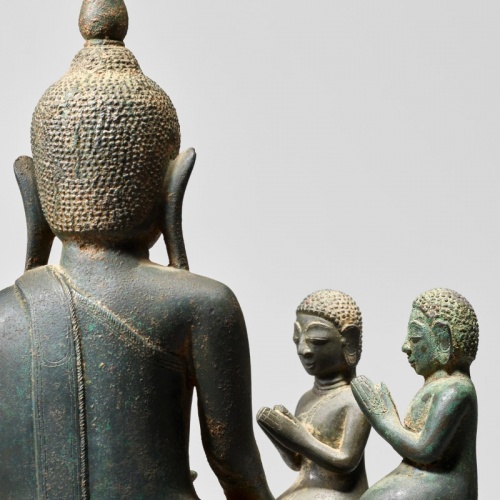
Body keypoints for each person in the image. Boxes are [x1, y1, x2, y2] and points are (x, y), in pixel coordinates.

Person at [0, 1, 273, 498]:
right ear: (174, 186)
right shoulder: (204, 305)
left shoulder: (4, 317)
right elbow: (233, 462)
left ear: (32, 192)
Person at [352, 288, 479, 499]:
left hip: (445, 486)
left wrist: (385, 421)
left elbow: (424, 450)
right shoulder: (440, 386)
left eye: (416, 337)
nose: (406, 346)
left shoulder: (456, 390)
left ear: (442, 339)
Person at [258, 290, 371, 499]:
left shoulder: (355, 400)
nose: (303, 350)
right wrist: (280, 435)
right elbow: (297, 463)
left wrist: (298, 438)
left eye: (317, 340)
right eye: (297, 340)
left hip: (341, 494)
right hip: (306, 489)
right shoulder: (306, 399)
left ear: (349, 340)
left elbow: (347, 461)